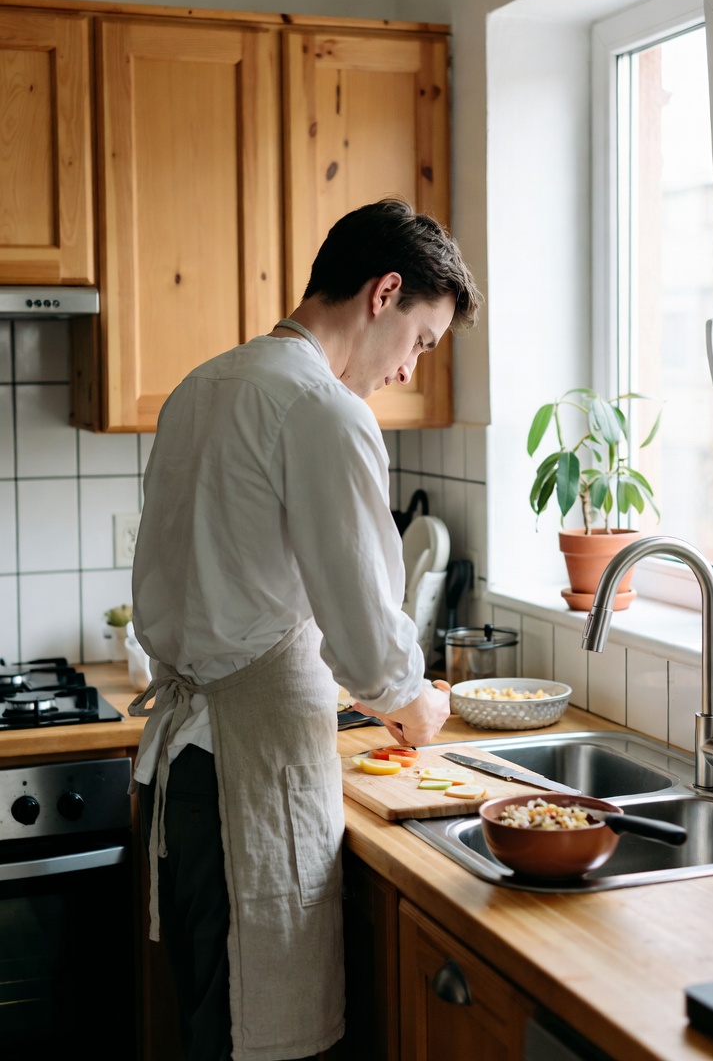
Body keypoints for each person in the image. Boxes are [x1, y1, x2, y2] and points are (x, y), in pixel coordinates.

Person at [129, 198, 481, 1061]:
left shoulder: (202, 386)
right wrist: (411, 701)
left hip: (178, 768)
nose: (408, 370)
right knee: (261, 1039)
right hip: (247, 776)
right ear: (384, 291)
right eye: (421, 341)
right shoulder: (322, 408)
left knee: (213, 1026)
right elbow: (363, 627)